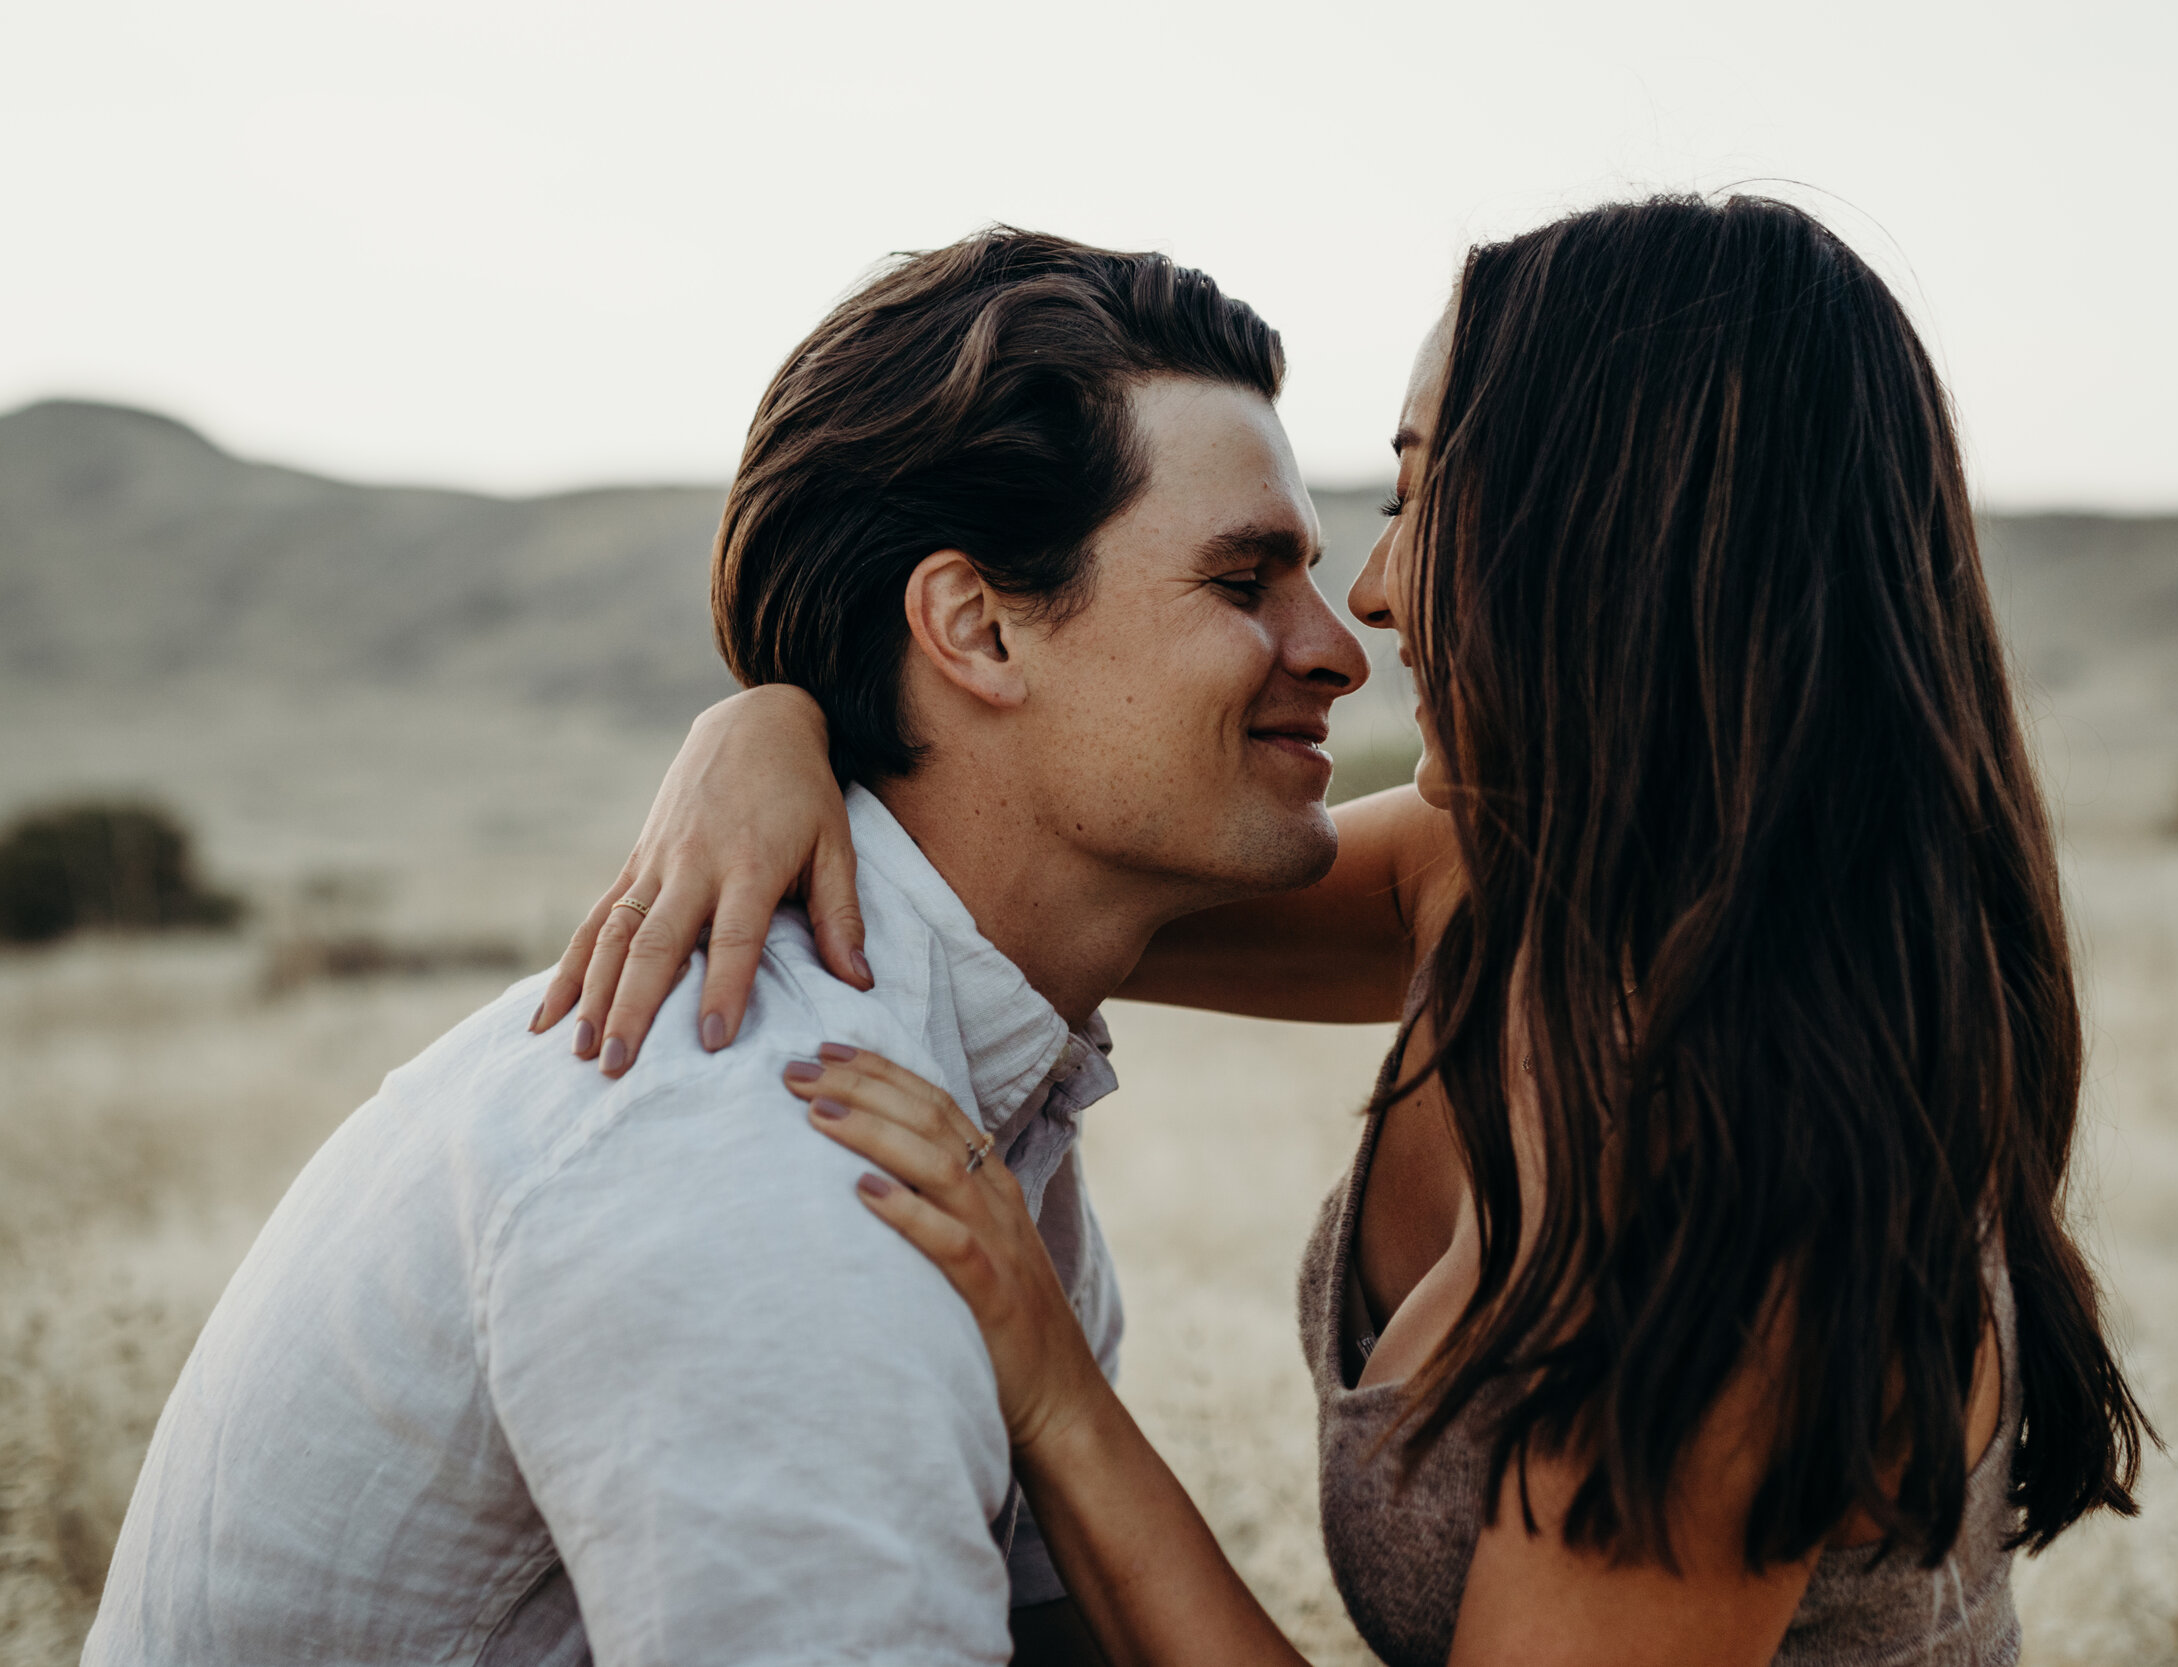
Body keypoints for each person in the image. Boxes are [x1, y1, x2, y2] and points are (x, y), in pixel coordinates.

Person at [550, 194, 2159, 1667]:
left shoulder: (1740, 1201)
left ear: (1618, 537)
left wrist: (1054, 1392)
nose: (1375, 595)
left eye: (1423, 494)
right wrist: (765, 727)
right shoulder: (1489, 890)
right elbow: (1042, 860)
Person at [85, 229, 1366, 1666]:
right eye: (1247, 580)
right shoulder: (774, 1135)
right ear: (977, 629)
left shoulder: (969, 1126)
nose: (1338, 646)